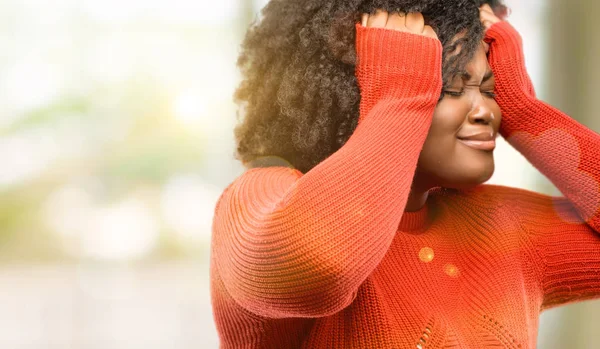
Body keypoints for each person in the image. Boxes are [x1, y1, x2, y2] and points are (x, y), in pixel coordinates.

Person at [210, 0, 600, 347]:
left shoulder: (502, 225)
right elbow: (321, 266)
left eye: (490, 89)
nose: (486, 111)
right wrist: (399, 98)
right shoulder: (260, 197)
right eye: (447, 87)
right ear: (361, 88)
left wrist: (524, 107)